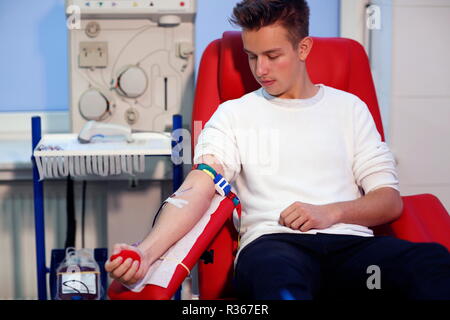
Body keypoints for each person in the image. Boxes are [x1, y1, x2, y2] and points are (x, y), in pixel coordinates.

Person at [106, 0, 450, 300]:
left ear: (303, 48)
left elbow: (388, 201)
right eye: (252, 56)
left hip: (354, 253)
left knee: (431, 264)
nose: (260, 70)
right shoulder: (233, 115)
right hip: (275, 248)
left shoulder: (349, 108)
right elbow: (198, 187)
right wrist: (146, 252)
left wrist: (329, 213)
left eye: (272, 55)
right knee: (281, 284)